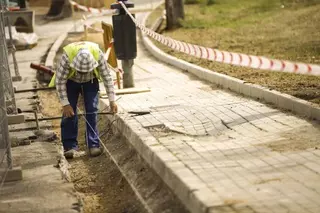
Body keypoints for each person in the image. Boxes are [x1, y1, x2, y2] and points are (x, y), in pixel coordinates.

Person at [49, 41, 118, 159]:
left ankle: (93, 144)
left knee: (92, 110)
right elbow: (60, 81)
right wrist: (66, 104)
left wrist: (112, 100)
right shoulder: (67, 57)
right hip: (71, 81)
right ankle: (69, 146)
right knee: (69, 113)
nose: (82, 74)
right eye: (81, 71)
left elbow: (107, 77)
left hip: (90, 81)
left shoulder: (98, 55)